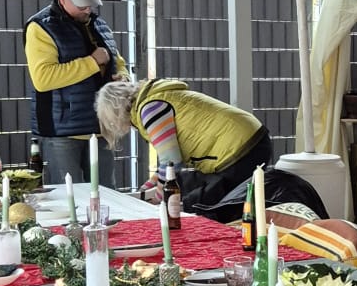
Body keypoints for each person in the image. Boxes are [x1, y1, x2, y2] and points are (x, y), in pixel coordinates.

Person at [96, 77, 271, 216]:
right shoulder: (153, 99)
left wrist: (157, 200)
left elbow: (171, 161)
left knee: (200, 205)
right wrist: (147, 188)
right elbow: (168, 163)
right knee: (188, 189)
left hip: (241, 148)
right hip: (247, 140)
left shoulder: (150, 110)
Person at [25, 0, 127, 188]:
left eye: (91, 4)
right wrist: (92, 62)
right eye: (82, 5)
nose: (88, 9)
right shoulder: (40, 27)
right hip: (62, 131)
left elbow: (117, 60)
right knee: (67, 195)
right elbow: (43, 79)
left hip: (101, 126)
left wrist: (123, 78)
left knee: (106, 194)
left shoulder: (99, 25)